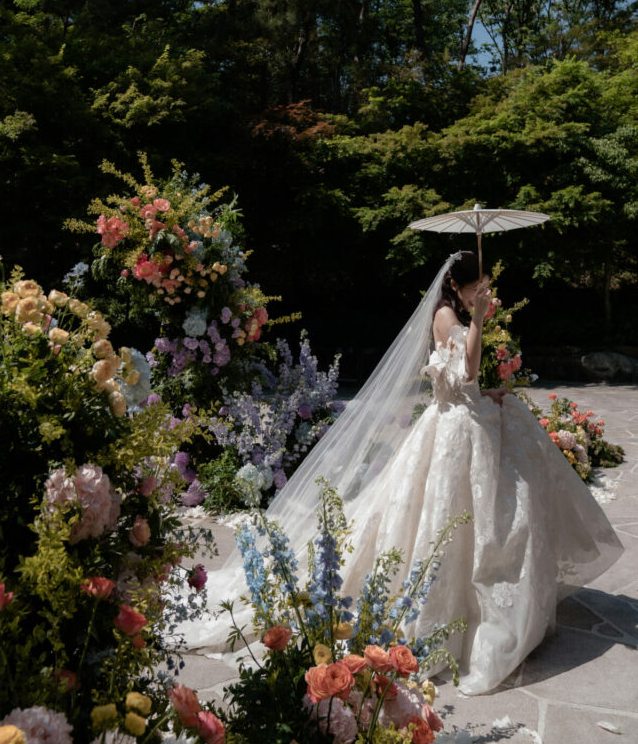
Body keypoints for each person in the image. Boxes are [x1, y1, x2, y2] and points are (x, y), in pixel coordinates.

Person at [180, 251, 623, 695]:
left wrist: (488, 384)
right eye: (477, 286)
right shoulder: (447, 316)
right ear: (456, 286)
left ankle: (491, 604)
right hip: (452, 433)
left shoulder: (455, 313)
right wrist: (481, 319)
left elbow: (464, 382)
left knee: (493, 515)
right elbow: (466, 367)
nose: (481, 295)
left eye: (484, 288)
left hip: (464, 423)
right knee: (440, 519)